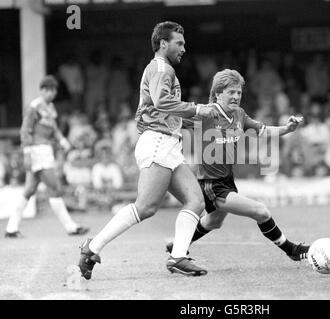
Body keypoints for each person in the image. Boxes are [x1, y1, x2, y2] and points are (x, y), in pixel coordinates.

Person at [78, 21, 219, 279]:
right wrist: (198, 109)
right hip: (157, 141)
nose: (184, 48)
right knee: (146, 207)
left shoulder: (160, 70)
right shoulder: (162, 69)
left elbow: (164, 110)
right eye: (180, 43)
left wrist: (201, 121)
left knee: (196, 200)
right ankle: (92, 247)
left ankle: (178, 257)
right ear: (163, 43)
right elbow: (163, 103)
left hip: (166, 142)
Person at [166, 69, 310, 262]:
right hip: (211, 184)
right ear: (218, 94)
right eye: (231, 92)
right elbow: (172, 117)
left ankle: (178, 245)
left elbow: (263, 131)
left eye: (239, 92)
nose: (236, 96)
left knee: (214, 221)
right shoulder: (206, 114)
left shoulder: (239, 115)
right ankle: (291, 249)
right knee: (260, 211)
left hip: (227, 180)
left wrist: (287, 128)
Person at [5, 75, 89, 238]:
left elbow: (54, 130)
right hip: (37, 151)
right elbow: (25, 130)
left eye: (53, 90)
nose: (51, 93)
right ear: (41, 90)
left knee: (29, 190)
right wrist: (27, 154)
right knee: (55, 187)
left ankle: (11, 228)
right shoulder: (34, 107)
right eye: (47, 90)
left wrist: (63, 142)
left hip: (45, 150)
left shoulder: (51, 109)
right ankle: (70, 227)